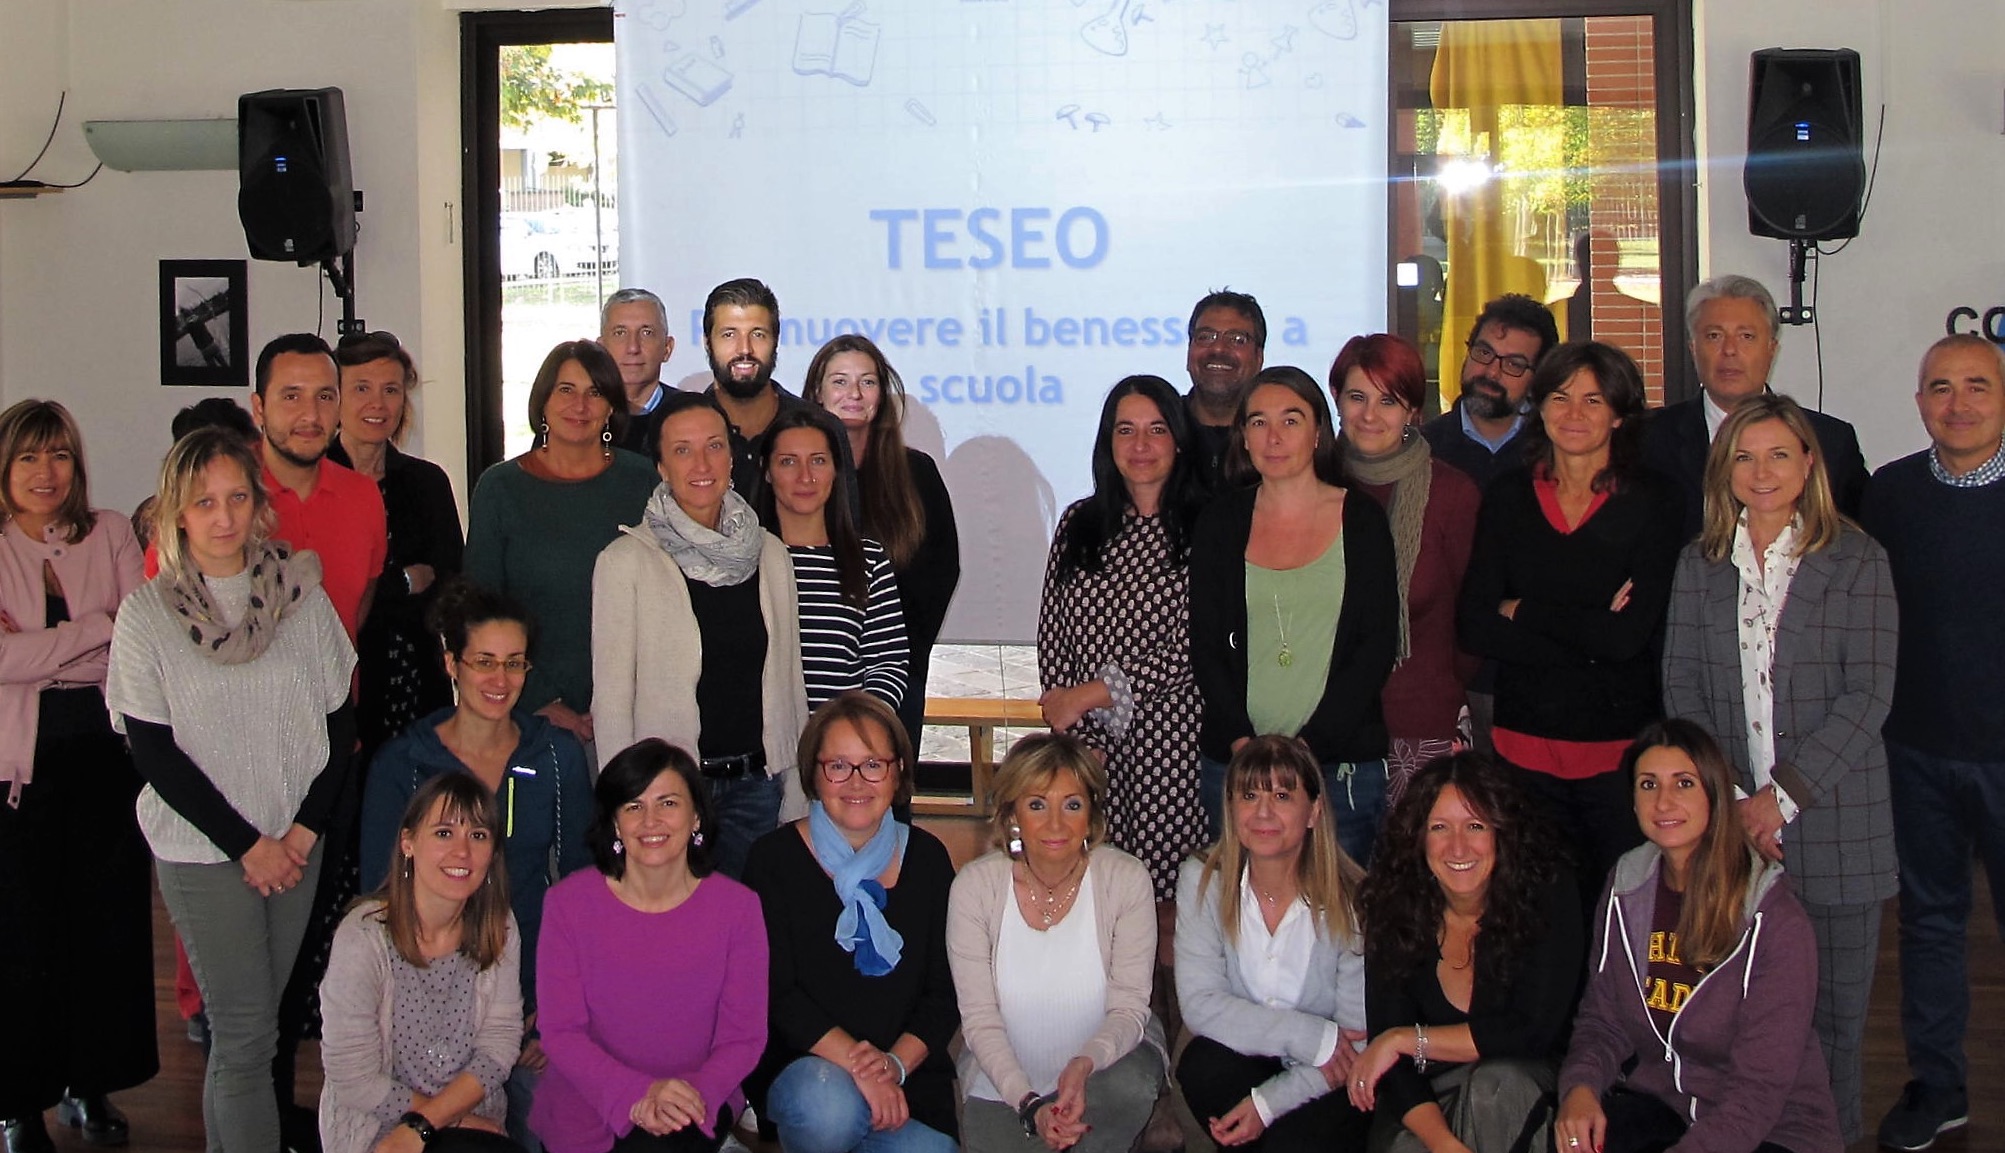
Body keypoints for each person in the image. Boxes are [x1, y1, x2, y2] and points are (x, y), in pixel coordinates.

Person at [105, 427, 357, 1153]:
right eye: (204, 502)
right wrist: (250, 845)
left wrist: (301, 832)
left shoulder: (300, 595)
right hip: (205, 853)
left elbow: (342, 722)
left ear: (259, 504)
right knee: (245, 1037)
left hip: (295, 845)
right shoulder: (147, 615)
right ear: (176, 514)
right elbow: (154, 752)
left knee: (256, 1033)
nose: (224, 517)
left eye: (237, 498)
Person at [1661, 392, 1897, 1145]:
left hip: (1836, 828)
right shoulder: (1699, 565)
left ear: (1807, 465)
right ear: (1722, 468)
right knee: (1742, 1023)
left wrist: (1779, 799)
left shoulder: (1857, 558)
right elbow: (1682, 688)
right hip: (1731, 834)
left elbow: (1868, 695)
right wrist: (1735, 802)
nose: (1761, 472)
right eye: (1743, 456)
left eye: (1777, 455)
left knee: (1833, 1028)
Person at [361, 580, 595, 1148]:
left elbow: (584, 889)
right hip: (427, 1009)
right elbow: (380, 898)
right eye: (484, 662)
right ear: (452, 664)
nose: (500, 679)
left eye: (514, 663)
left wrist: (558, 1008)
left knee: (565, 1121)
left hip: (532, 1004)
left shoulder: (556, 756)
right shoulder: (405, 763)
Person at [1456, 341, 1683, 899]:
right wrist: (1591, 633)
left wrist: (1524, 610)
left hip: (1621, 754)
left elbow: (1629, 639)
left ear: (1619, 414)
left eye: (1593, 400)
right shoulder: (1508, 496)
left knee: (1623, 908)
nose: (1574, 413)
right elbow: (1475, 624)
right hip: (1522, 748)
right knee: (1536, 913)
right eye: (1559, 397)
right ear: (1539, 406)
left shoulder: (1656, 501)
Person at [1555, 719, 1841, 1153]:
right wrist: (1580, 1088)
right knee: (1573, 1139)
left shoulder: (1775, 919)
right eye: (1648, 784)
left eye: (1683, 783)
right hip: (1666, 1106)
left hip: (1773, 1130)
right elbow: (1602, 1021)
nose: (1663, 801)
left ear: (1715, 795)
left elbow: (1757, 1093)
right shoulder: (1626, 886)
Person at [0, 400, 154, 1153]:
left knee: (103, 931)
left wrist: (39, 645)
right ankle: (17, 1104)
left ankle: (89, 1084)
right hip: (16, 772)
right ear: (5, 468)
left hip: (103, 759)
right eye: (28, 456)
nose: (45, 471)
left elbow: (137, 636)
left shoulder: (111, 531)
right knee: (22, 940)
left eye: (58, 454)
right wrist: (90, 630)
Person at [1863, 334, 2005, 1151]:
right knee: (1929, 924)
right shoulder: (1889, 493)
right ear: (1918, 401)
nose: (1957, 403)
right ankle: (1937, 1086)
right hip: (1914, 749)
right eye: (1940, 387)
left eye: (1976, 385)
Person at [591, 392, 809, 878]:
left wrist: (795, 786)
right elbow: (611, 700)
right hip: (664, 795)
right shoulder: (624, 562)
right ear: (662, 467)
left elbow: (789, 681)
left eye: (714, 446)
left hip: (756, 786)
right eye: (682, 450)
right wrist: (625, 801)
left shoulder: (770, 555)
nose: (702, 464)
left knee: (748, 916)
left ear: (732, 457)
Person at [1189, 366, 1399, 865]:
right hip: (1237, 764)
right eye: (1258, 422)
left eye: (1291, 420)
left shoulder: (1361, 519)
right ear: (1243, 436)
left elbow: (1375, 647)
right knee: (1243, 903)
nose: (1274, 437)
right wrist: (1247, 747)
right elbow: (1206, 645)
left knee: (1339, 907)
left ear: (1318, 431)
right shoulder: (1220, 522)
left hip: (1339, 768)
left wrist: (1306, 750)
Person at [742, 693, 961, 1153]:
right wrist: (861, 1070)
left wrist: (892, 1068)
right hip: (807, 1071)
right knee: (830, 1111)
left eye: (873, 765)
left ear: (898, 772)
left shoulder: (929, 860)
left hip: (907, 1078)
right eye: (838, 766)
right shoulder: (772, 860)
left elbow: (944, 994)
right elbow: (776, 994)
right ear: (814, 773)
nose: (856, 782)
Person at [531, 739, 768, 1153]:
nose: (650, 821)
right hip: (590, 1100)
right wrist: (637, 1095)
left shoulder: (739, 909)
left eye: (668, 803)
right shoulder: (567, 905)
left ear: (696, 816)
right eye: (633, 806)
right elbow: (561, 1032)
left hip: (696, 1097)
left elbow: (743, 1037)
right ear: (614, 823)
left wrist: (689, 1095)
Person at [946, 732, 1167, 1153]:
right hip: (1005, 1087)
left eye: (1072, 805)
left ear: (1092, 813)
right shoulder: (974, 887)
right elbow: (979, 1020)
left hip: (1105, 1072)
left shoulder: (1126, 879)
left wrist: (1083, 1066)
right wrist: (1029, 1104)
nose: (1055, 824)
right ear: (1012, 813)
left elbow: (1129, 1009)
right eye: (1036, 805)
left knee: (1129, 1088)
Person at [1351, 753, 1581, 1153]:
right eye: (1439, 827)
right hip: (1434, 1093)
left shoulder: (1547, 893)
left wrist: (1406, 1039)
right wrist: (1444, 1145)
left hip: (1528, 1085)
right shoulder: (1395, 904)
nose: (1458, 847)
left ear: (1502, 832)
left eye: (1475, 826)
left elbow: (1530, 1032)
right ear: (1418, 837)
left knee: (1494, 1087)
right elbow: (1394, 1065)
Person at [1037, 374, 1208, 903]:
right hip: (1088, 747)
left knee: (1166, 900)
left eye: (1156, 429)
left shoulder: (1209, 527)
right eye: (1125, 430)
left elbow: (1192, 648)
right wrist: (1079, 733)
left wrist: (1090, 695)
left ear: (1179, 440)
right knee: (1091, 895)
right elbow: (1053, 633)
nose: (1140, 445)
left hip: (1174, 744)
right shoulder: (1079, 523)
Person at [1173, 736, 1371, 1153]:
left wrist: (1267, 1105)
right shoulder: (1203, 879)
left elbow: (1355, 1043)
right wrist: (1310, 1035)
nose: (1263, 812)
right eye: (1249, 796)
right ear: (1231, 807)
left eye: (1282, 796)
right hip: (1252, 1055)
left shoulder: (1353, 899)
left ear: (1314, 811)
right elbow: (1201, 1004)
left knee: (1288, 1142)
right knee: (1202, 1065)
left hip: (1326, 1077)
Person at [465, 339, 658, 751]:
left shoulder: (643, 482)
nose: (580, 406)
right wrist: (538, 699)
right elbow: (479, 611)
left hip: (635, 713)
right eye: (566, 390)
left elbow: (664, 602)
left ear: (611, 407)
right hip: (529, 716)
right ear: (543, 401)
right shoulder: (500, 488)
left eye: (595, 393)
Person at [318, 773, 525, 1153]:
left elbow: (499, 1043)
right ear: (408, 842)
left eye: (478, 836)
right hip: (378, 1128)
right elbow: (353, 1077)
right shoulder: (363, 936)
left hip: (469, 1121)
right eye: (444, 833)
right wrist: (433, 1123)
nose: (462, 851)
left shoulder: (501, 925)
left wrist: (431, 1122)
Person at [1332, 335, 1481, 802]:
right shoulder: (1313, 484)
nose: (1369, 415)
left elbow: (1473, 622)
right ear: (1336, 399)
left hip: (1423, 723)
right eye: (1357, 397)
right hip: (1326, 725)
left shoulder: (1452, 494)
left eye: (1388, 401)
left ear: (1413, 410)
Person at [803, 334, 959, 752]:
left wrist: (900, 658)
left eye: (867, 382)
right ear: (817, 392)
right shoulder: (795, 472)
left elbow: (941, 572)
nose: (854, 394)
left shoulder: (917, 473)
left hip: (895, 675)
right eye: (840, 381)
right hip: (808, 676)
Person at [1642, 274, 1869, 539]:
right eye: (1714, 336)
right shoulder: (1646, 438)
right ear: (1693, 349)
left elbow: (1856, 543)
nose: (1729, 350)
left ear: (1772, 349)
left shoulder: (1830, 441)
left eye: (1746, 336)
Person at [329, 329, 466, 754]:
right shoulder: (316, 483)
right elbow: (328, 596)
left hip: (419, 681)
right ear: (335, 398)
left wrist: (379, 588)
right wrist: (404, 581)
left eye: (391, 390)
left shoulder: (427, 482)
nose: (378, 403)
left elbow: (450, 587)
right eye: (361, 388)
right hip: (339, 686)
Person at [756, 408, 910, 712]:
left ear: (836, 469)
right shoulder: (744, 559)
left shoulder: (869, 561)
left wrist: (858, 726)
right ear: (767, 471)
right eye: (788, 462)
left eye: (818, 461)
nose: (805, 477)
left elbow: (888, 663)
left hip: (843, 738)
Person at [251, 332, 388, 642]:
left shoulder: (363, 496)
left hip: (338, 674)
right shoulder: (219, 494)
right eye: (292, 396)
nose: (311, 415)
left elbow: (357, 609)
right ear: (259, 408)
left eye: (325, 396)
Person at [699, 278, 855, 499]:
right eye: (729, 334)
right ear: (707, 343)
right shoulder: (683, 429)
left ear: (776, 341)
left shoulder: (821, 427)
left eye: (758, 334)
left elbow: (844, 516)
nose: (745, 349)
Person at [1418, 294, 1560, 492]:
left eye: (1513, 364)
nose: (1492, 372)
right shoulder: (1422, 452)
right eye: (1484, 353)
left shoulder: (1557, 452)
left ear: (1537, 377)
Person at [134, 398, 259, 552]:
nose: (225, 520)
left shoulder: (277, 561)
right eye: (205, 502)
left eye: (238, 497)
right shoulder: (151, 526)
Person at [1183, 290, 1268, 489]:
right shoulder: (1162, 429)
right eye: (1205, 337)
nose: (1218, 349)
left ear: (1259, 358)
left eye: (1237, 339)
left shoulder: (1275, 437)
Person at [600, 289, 678, 458]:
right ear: (601, 347)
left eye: (646, 333)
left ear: (667, 348)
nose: (633, 347)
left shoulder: (691, 413)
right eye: (620, 333)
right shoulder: (580, 415)